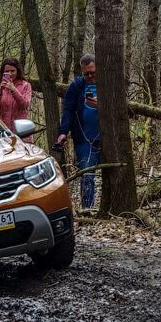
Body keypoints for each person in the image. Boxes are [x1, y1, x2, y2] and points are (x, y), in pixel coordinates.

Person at [57, 54, 100, 209]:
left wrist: (100, 106)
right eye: (86, 73)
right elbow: (68, 110)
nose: (89, 76)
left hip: (107, 138)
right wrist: (63, 132)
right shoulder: (76, 86)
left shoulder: (108, 84)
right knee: (87, 174)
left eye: (92, 72)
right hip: (84, 139)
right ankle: (87, 209)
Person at [0, 57, 33, 142]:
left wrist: (13, 89)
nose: (10, 74)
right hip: (5, 133)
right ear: (3, 73)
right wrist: (0, 90)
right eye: (7, 71)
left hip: (22, 133)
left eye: (12, 71)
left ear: (17, 71)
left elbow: (25, 105)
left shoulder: (26, 85)